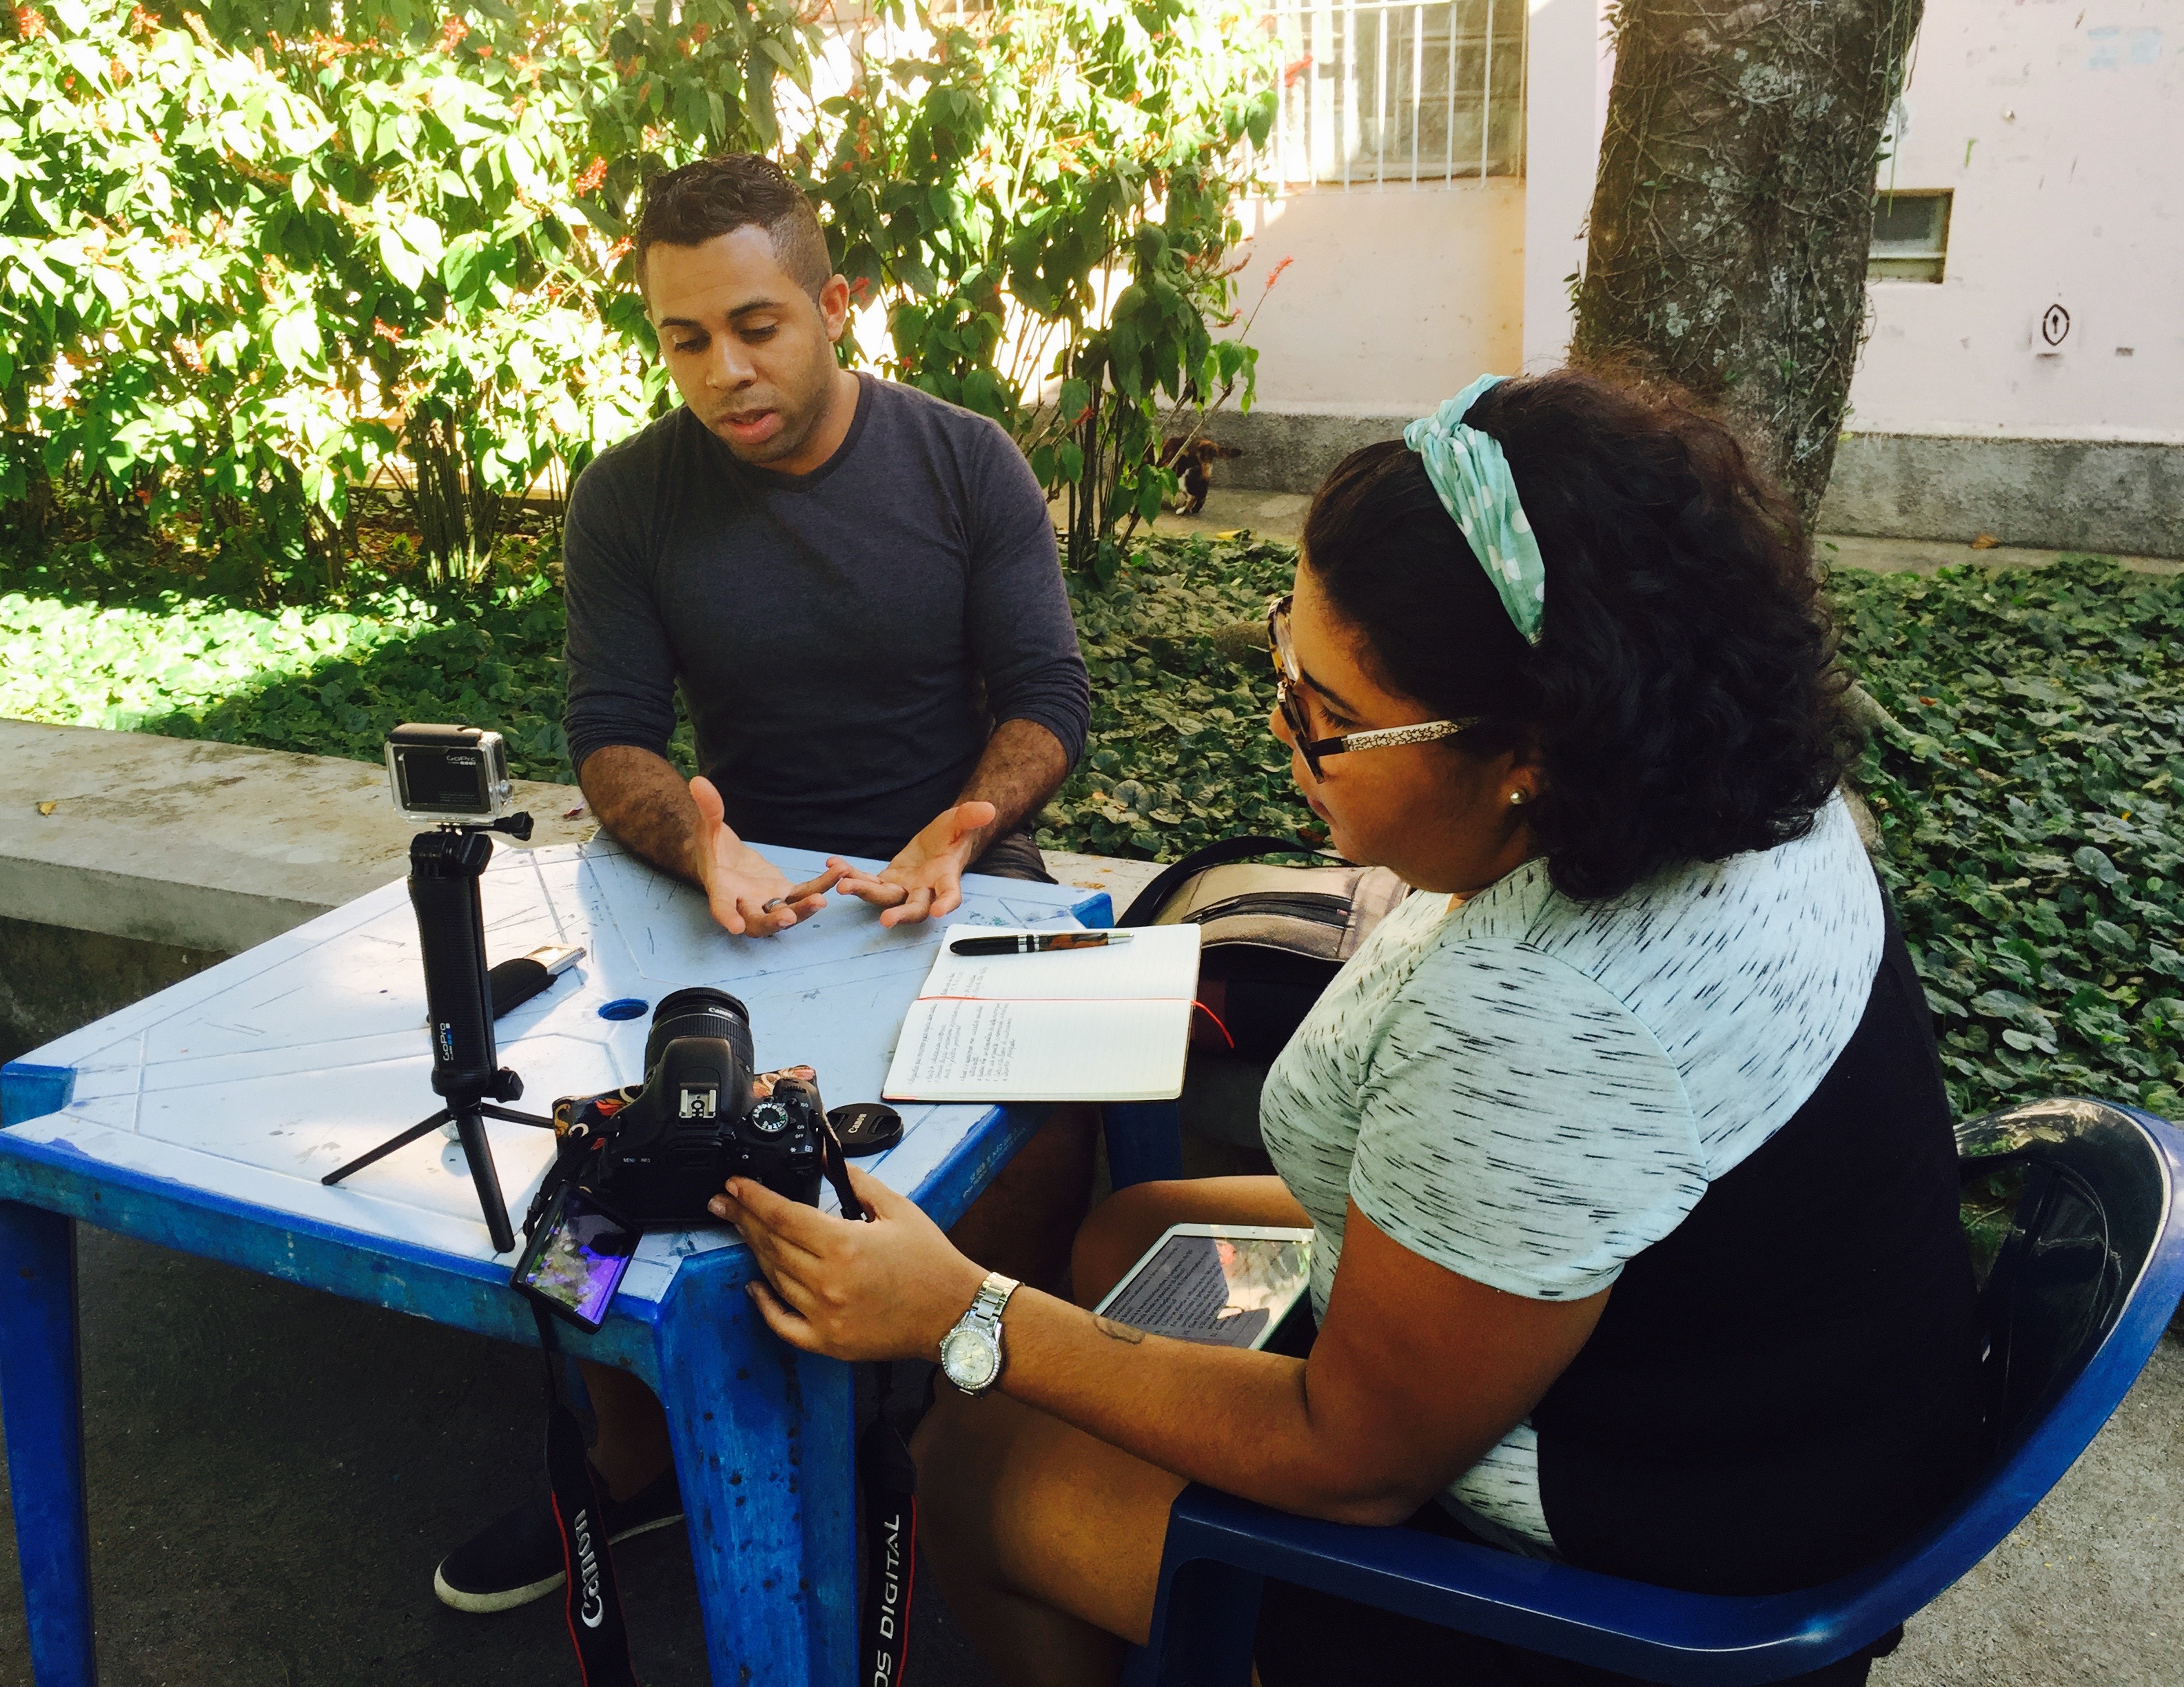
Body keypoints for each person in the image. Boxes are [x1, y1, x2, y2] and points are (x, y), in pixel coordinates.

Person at [709, 369, 1981, 1686]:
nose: (1281, 725)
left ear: (1531, 754)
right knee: (1129, 1233)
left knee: (971, 1453)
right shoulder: (1744, 798)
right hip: (1704, 1382)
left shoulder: (1545, 1020)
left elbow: (1355, 1460)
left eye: (1331, 718)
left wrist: (960, 1313)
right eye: (1286, 661)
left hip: (1637, 1588)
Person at [432, 153, 1095, 1615]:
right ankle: (630, 1447)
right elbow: (611, 736)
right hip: (728, 891)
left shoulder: (964, 460)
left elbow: (1049, 699)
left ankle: (952, 1441)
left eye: (756, 327)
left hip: (957, 874)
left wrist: (965, 825)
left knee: (1048, 1138)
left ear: (832, 304)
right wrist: (702, 846)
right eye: (684, 340)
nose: (722, 371)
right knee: (587, 1176)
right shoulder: (629, 496)